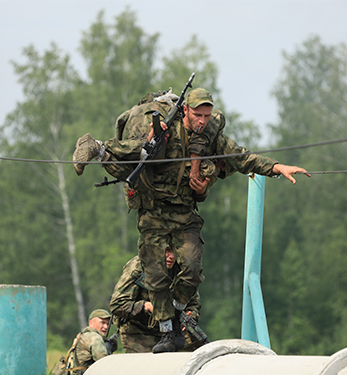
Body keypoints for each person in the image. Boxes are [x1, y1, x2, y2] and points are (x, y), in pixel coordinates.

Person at [73, 86, 310, 353]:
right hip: (153, 210)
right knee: (155, 276)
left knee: (193, 270)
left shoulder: (209, 138)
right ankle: (95, 147)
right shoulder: (167, 130)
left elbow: (242, 158)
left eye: (207, 116)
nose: (202, 121)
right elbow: (134, 152)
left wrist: (278, 167)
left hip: (184, 213)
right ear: (185, 111)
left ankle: (172, 318)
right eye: (198, 115)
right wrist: (152, 137)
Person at [110, 246, 204, 353]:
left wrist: (189, 315)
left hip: (172, 331)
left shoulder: (183, 270)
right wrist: (146, 306)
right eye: (167, 250)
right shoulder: (139, 266)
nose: (171, 256)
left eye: (175, 251)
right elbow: (117, 304)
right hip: (139, 331)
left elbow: (194, 303)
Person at [54, 309, 117, 375]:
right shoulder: (94, 337)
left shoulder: (82, 335)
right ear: (91, 323)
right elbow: (103, 363)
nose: (106, 327)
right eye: (102, 323)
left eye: (108, 324)